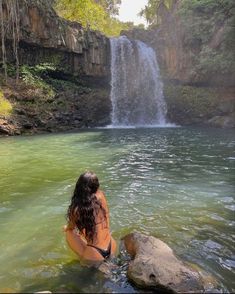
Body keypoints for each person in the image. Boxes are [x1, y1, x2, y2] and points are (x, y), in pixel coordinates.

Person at [63, 171, 117, 263]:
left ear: (79, 187)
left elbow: (71, 227)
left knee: (68, 232)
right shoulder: (101, 195)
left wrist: (66, 228)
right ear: (96, 186)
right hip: (111, 245)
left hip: (95, 253)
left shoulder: (77, 208)